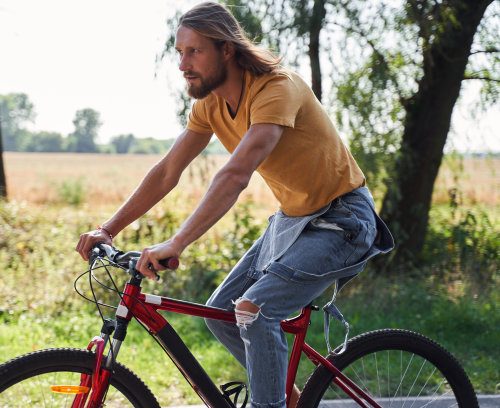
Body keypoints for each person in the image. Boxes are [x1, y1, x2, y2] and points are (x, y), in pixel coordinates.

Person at [76, 3, 393, 407]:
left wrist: (177, 243)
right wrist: (109, 228)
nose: (182, 64)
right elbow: (167, 170)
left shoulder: (278, 88)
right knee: (222, 314)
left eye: (194, 52)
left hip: (342, 218)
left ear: (227, 49)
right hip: (293, 220)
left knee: (254, 311)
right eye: (179, 52)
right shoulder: (209, 104)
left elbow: (235, 174)